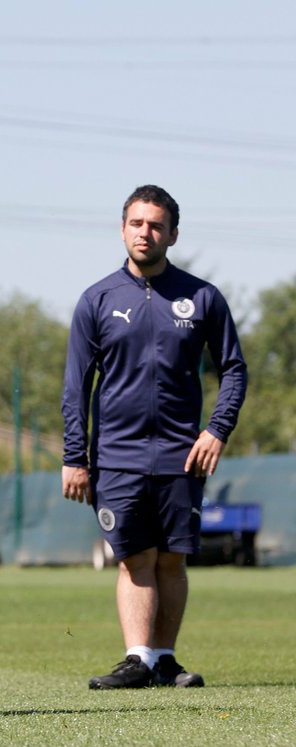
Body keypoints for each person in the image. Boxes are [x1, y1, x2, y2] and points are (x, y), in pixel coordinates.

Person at [61, 185, 247, 690]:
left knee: (172, 557)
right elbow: (76, 385)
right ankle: (138, 658)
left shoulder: (202, 297)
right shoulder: (96, 299)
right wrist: (74, 457)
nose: (147, 232)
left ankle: (165, 660)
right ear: (123, 229)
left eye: (156, 225)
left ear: (173, 234)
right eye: (138, 223)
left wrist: (217, 430)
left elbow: (233, 369)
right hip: (117, 455)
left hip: (183, 453)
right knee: (136, 556)